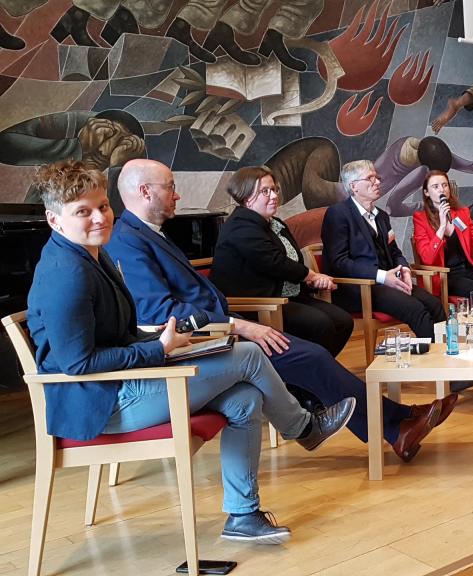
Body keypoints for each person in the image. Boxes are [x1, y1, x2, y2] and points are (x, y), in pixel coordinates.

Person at [26, 160, 356, 544]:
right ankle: (302, 426)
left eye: (102, 205)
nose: (100, 218)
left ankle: (243, 516)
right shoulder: (66, 273)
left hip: (119, 384)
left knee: (246, 397)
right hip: (101, 404)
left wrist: (165, 345)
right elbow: (78, 364)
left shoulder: (88, 255)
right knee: (248, 356)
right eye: (83, 212)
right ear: (54, 219)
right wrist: (157, 351)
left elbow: (115, 335)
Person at [106, 159, 453, 463]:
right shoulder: (130, 240)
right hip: (197, 343)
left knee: (313, 354)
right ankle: (394, 424)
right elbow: (160, 311)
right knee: (311, 357)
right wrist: (237, 326)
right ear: (145, 191)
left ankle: (397, 424)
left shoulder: (147, 234)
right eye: (171, 188)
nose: (177, 195)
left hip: (223, 329)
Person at [211, 166, 353, 358]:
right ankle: (304, 379)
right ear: (246, 197)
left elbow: (290, 259)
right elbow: (274, 262)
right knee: (321, 324)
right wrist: (311, 276)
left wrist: (310, 280)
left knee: (343, 321)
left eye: (274, 189)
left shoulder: (274, 223)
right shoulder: (240, 226)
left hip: (288, 296)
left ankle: (311, 376)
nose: (273, 196)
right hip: (259, 303)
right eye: (264, 191)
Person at [322, 159, 446, 339]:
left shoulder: (381, 216)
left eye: (377, 177)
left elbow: (394, 251)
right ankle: (433, 361)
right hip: (360, 287)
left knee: (434, 304)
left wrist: (404, 269)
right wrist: (381, 276)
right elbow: (338, 262)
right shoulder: (338, 214)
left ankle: (445, 354)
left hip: (390, 281)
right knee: (416, 309)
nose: (378, 182)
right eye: (370, 178)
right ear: (354, 186)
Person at [412, 170, 473, 303]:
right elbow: (427, 258)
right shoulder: (421, 219)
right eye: (436, 186)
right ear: (426, 192)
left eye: (445, 185)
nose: (442, 190)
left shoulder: (461, 214)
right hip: (445, 277)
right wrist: (441, 227)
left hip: (469, 272)